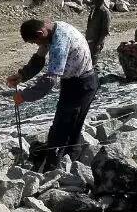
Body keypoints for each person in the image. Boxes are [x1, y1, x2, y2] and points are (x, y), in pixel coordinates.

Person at [7, 18, 98, 172]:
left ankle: (55, 170)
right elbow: (39, 59)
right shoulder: (52, 28)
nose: (37, 45)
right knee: (65, 125)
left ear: (40, 33)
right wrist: (22, 75)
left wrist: (24, 96)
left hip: (82, 85)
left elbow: (50, 81)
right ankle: (65, 164)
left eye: (35, 42)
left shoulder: (59, 44)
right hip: (74, 82)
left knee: (65, 128)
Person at [85, 0, 112, 67]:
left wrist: (98, 44)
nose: (95, 1)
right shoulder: (93, 9)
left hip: (96, 42)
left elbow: (105, 31)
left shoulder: (105, 13)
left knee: (92, 64)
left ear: (102, 0)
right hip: (89, 39)